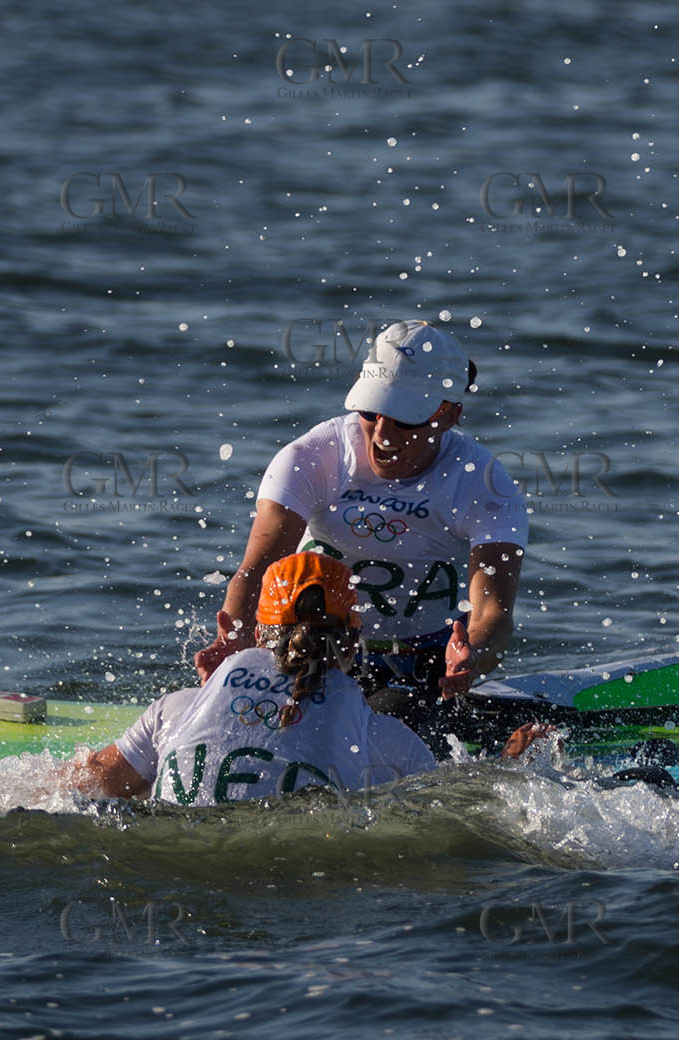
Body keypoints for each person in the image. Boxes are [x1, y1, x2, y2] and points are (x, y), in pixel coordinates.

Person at [194, 320, 528, 756]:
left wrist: (473, 657)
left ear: (447, 414)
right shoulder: (312, 456)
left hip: (418, 664)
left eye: (406, 419)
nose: (384, 436)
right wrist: (234, 642)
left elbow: (493, 614)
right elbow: (255, 572)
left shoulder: (484, 485)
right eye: (371, 412)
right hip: (307, 650)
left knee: (377, 738)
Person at [69, 552, 437, 804]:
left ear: (259, 635)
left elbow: (84, 787)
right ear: (353, 644)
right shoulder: (387, 742)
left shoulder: (175, 711)